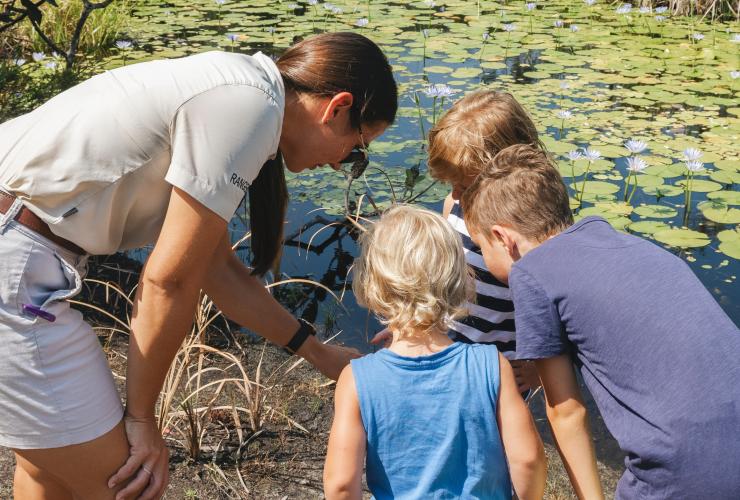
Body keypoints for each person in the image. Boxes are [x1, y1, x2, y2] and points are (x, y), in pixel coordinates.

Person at [0, 32, 397, 499]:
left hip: (26, 251)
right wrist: (142, 419)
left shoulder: (243, 86)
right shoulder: (248, 108)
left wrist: (320, 353)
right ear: (338, 107)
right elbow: (170, 280)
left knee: (48, 473)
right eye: (358, 149)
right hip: (17, 262)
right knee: (128, 483)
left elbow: (216, 269)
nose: (342, 165)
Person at [461, 144, 740, 500]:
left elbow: (567, 413)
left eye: (483, 247)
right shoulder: (636, 246)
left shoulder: (532, 273)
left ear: (503, 237)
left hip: (683, 470)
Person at [324, 205, 546, 500]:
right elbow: (528, 461)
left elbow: (340, 485)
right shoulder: (491, 365)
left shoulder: (357, 379)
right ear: (459, 278)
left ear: (372, 284)